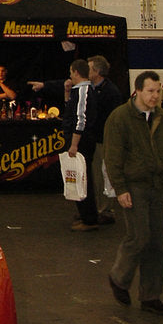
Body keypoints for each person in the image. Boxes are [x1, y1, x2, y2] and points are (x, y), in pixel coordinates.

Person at [104, 70, 163, 316]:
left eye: (158, 91)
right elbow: (113, 157)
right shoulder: (120, 118)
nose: (155, 96)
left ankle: (151, 296)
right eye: (150, 91)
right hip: (134, 186)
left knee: (157, 244)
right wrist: (121, 189)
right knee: (139, 237)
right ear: (137, 91)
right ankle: (119, 278)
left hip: (158, 187)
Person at [61, 59, 100, 231]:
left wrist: (74, 144)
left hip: (81, 141)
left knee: (83, 179)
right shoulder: (77, 90)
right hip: (77, 140)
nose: (70, 75)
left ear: (76, 72)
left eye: (71, 72)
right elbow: (70, 111)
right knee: (78, 177)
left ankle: (90, 219)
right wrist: (67, 92)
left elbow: (81, 119)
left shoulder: (84, 90)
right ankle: (85, 214)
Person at [87, 55, 124, 225]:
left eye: (89, 68)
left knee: (103, 175)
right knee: (95, 176)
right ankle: (98, 208)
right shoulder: (92, 88)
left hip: (104, 140)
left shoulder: (111, 92)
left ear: (97, 71)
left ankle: (106, 209)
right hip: (95, 139)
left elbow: (113, 120)